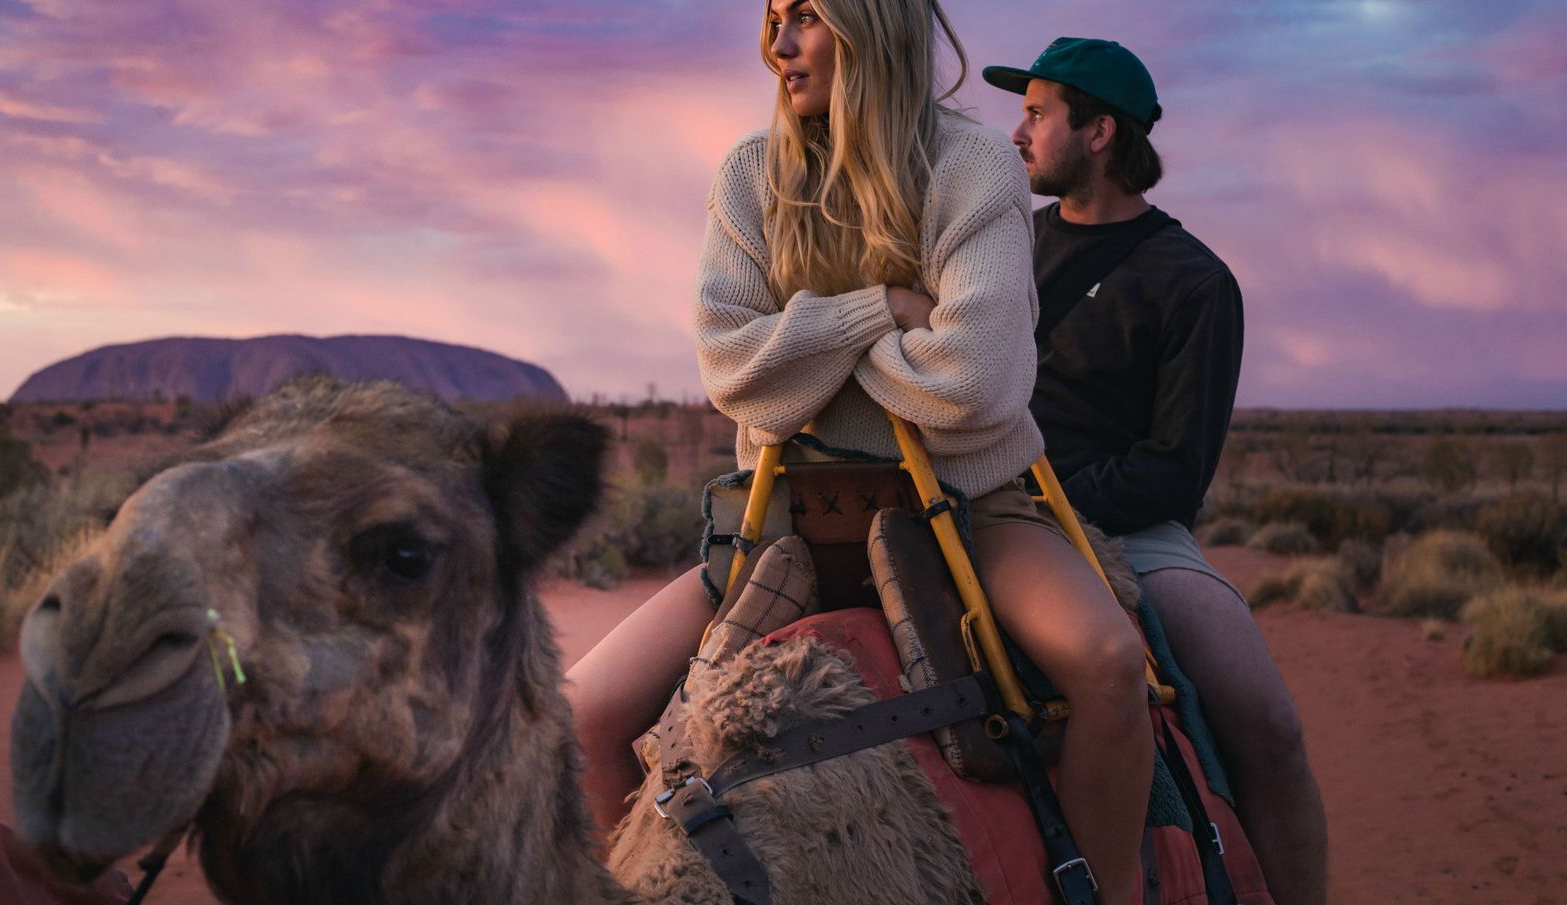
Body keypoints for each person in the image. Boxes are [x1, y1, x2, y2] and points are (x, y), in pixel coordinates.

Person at [566, 3, 1153, 901]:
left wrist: (803, 354)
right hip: (782, 522)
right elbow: (732, 369)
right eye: (772, 17)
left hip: (964, 511)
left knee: (1108, 664)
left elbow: (973, 381)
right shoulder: (751, 173)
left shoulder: (973, 164)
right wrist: (880, 310)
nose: (778, 45)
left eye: (806, 16)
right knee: (582, 716)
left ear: (871, 22)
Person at [982, 37, 1329, 904]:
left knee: (1270, 725)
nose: (1017, 134)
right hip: (975, 506)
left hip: (1129, 533)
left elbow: (1174, 471)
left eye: (1036, 114)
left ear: (1100, 133)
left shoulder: (1194, 281)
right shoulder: (1001, 248)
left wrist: (1049, 504)